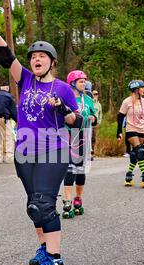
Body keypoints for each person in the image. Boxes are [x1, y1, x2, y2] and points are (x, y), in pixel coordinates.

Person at [0, 7, 82, 265]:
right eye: (34, 57)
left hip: (54, 150)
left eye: (42, 57)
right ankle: (43, 248)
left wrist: (63, 108)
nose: (36, 60)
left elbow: (77, 120)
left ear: (52, 62)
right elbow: (7, 57)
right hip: (25, 152)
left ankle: (54, 257)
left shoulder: (63, 88)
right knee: (33, 208)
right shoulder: (25, 78)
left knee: (43, 205)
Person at [62, 70, 97, 219]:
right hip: (67, 136)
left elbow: (95, 116)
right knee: (69, 169)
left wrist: (93, 117)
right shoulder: (65, 98)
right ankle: (67, 201)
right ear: (72, 83)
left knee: (80, 170)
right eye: (81, 81)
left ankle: (78, 198)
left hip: (82, 136)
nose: (84, 84)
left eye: (84, 81)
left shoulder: (88, 99)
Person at [117, 80, 144, 188]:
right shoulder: (126, 102)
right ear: (136, 89)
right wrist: (118, 132)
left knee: (135, 154)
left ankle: (128, 177)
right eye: (142, 87)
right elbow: (120, 117)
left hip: (143, 129)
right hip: (131, 129)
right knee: (140, 151)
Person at [0, 80, 17, 164]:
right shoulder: (9, 96)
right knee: (8, 138)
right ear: (7, 88)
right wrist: (17, 120)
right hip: (3, 119)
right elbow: (13, 110)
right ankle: (8, 158)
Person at [91, 90, 103, 158]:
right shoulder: (90, 102)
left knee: (93, 138)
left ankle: (93, 152)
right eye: (95, 94)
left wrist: (99, 121)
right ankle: (88, 152)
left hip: (95, 124)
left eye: (97, 94)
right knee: (88, 137)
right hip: (89, 123)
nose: (96, 95)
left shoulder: (99, 104)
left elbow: (100, 113)